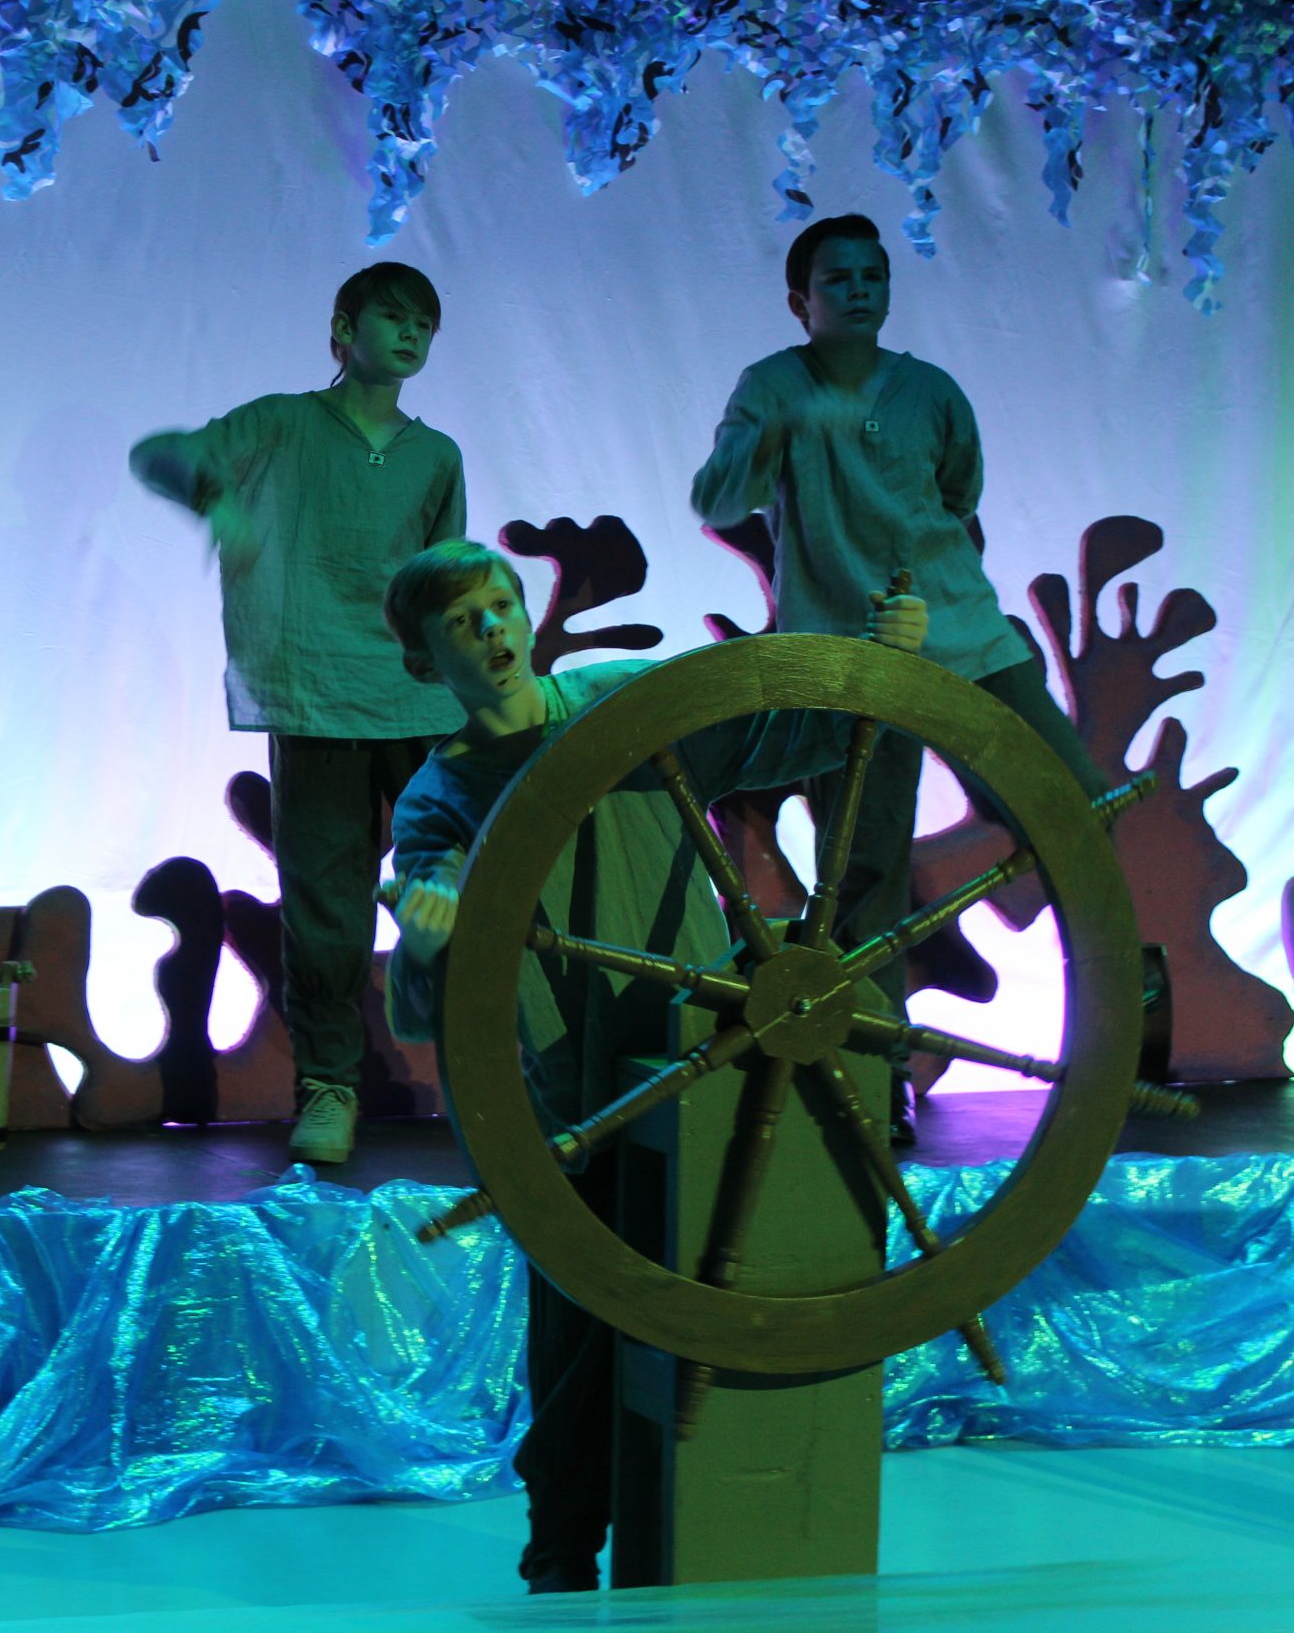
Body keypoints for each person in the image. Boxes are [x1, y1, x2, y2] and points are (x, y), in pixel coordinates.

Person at [377, 538, 927, 1593]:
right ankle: (562, 1544)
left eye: (500, 605)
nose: (492, 630)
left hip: (700, 1076)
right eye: (462, 623)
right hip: (564, 1100)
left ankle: (684, 1527)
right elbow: (424, 940)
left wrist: (879, 661)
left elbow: (792, 730)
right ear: (421, 661)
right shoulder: (437, 802)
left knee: (681, 1303)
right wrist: (429, 924)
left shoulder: (622, 703)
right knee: (580, 1322)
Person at [688, 213, 1112, 1143]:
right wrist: (774, 437)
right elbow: (715, 499)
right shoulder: (772, 386)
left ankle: (1125, 1030)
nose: (858, 288)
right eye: (836, 278)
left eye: (873, 273)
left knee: (1082, 809)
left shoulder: (930, 391)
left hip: (965, 638)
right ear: (800, 301)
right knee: (865, 877)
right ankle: (879, 1085)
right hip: (848, 660)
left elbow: (959, 498)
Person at [128, 263, 468, 1165]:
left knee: (464, 876)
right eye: (391, 318)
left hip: (415, 693)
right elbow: (161, 454)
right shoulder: (280, 423)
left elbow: (449, 579)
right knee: (326, 903)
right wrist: (219, 500)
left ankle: (494, 1066)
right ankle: (329, 1084)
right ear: (342, 327)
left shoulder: (436, 456)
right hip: (315, 689)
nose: (409, 336)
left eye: (424, 326)